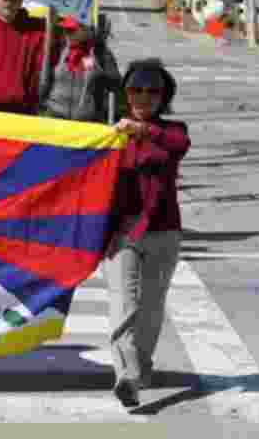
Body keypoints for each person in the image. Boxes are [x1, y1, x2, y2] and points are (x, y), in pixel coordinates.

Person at [104, 58, 190, 408]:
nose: (143, 97)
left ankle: (141, 365)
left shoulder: (173, 132)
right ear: (126, 94)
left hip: (163, 233)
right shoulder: (109, 135)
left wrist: (142, 131)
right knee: (126, 305)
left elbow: (177, 145)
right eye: (136, 89)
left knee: (152, 308)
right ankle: (127, 376)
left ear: (163, 97)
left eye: (153, 91)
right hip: (122, 234)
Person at [38, 15, 121, 124]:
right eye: (65, 30)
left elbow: (115, 85)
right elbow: (43, 79)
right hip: (54, 115)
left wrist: (97, 64)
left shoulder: (100, 53)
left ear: (86, 30)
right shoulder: (59, 48)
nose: (66, 34)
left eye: (71, 30)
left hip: (86, 121)